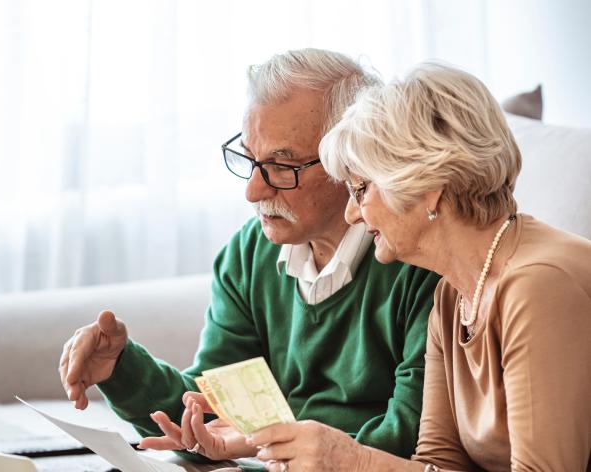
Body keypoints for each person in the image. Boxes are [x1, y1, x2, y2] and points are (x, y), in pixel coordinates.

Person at [58, 49, 442, 464]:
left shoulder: (418, 258)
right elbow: (209, 417)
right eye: (249, 158)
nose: (253, 192)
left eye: (281, 165)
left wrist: (266, 441)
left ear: (352, 159)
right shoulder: (250, 252)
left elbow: (412, 438)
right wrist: (121, 367)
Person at [241, 62, 591, 471]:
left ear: (428, 188)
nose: (352, 213)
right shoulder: (454, 293)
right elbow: (437, 463)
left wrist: (352, 461)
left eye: (362, 189)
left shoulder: (539, 286)